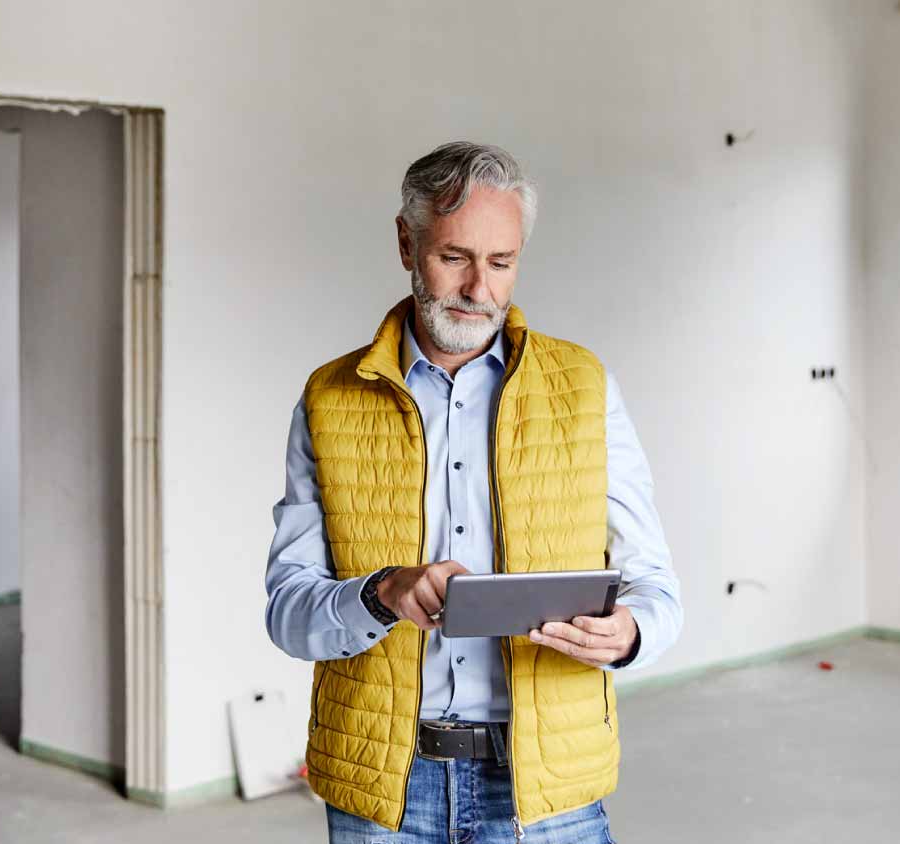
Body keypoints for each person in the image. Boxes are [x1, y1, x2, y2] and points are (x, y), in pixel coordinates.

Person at [264, 141, 682, 843]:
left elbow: (657, 590)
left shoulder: (584, 388)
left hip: (547, 791)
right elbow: (287, 613)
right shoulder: (329, 400)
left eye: (502, 262)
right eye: (454, 256)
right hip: (383, 791)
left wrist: (630, 632)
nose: (479, 289)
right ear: (406, 242)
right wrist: (382, 592)